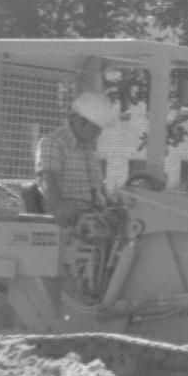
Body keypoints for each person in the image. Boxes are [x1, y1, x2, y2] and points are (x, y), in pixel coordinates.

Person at [37, 91, 118, 299]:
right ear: (80, 121)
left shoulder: (88, 149)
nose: (99, 133)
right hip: (73, 220)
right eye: (96, 128)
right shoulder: (52, 142)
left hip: (93, 217)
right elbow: (48, 179)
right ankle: (92, 297)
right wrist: (60, 209)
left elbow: (98, 187)